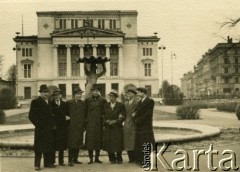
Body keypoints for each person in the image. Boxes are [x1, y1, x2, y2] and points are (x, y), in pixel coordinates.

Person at [28, 84, 56, 171]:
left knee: (48, 145)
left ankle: (47, 163)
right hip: (40, 129)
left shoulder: (51, 102)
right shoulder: (35, 102)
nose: (46, 94)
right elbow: (31, 116)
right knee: (39, 147)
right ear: (40, 93)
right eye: (44, 92)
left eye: (47, 92)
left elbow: (54, 115)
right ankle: (37, 165)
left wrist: (53, 125)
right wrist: (38, 125)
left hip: (49, 129)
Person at [132, 87, 155, 166]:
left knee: (146, 143)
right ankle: (140, 159)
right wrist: (134, 115)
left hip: (146, 126)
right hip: (139, 126)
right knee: (140, 143)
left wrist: (137, 120)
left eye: (138, 92)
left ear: (143, 93)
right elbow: (136, 111)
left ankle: (147, 161)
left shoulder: (150, 101)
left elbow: (148, 114)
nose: (137, 94)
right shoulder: (140, 101)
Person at [85, 84, 107, 164]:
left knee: (98, 141)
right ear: (91, 92)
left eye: (97, 91)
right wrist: (85, 122)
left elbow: (105, 112)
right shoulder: (87, 100)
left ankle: (97, 158)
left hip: (99, 123)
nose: (95, 92)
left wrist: (103, 122)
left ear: (99, 92)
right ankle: (90, 159)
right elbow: (85, 112)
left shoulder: (103, 100)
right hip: (90, 123)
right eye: (94, 91)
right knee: (90, 142)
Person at [103, 90, 126, 164]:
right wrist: (106, 121)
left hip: (117, 127)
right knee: (109, 142)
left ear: (116, 97)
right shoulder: (106, 105)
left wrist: (116, 121)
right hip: (108, 126)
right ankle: (111, 158)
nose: (111, 98)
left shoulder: (121, 105)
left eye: (113, 97)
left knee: (118, 142)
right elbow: (102, 115)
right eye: (110, 97)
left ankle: (119, 158)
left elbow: (123, 116)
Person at [67, 87, 86, 166]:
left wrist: (84, 126)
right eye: (77, 94)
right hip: (71, 126)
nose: (79, 95)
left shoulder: (82, 103)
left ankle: (75, 159)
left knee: (78, 143)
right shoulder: (69, 103)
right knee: (71, 144)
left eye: (80, 94)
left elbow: (84, 115)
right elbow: (65, 113)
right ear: (74, 95)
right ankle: (70, 160)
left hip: (79, 126)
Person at [50, 88, 69, 166]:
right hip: (54, 127)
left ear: (61, 95)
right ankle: (52, 161)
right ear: (53, 96)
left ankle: (61, 161)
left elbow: (68, 116)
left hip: (62, 127)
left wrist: (66, 123)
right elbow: (51, 116)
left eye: (59, 95)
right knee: (53, 145)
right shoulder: (50, 104)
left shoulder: (64, 104)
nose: (57, 96)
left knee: (61, 145)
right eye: (55, 95)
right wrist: (62, 117)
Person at [123, 88, 138, 163]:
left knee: (134, 140)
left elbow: (141, 112)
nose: (127, 95)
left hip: (134, 123)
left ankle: (135, 157)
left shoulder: (137, 103)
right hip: (127, 123)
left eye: (129, 93)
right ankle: (130, 158)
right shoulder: (125, 103)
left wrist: (136, 114)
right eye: (127, 93)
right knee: (127, 141)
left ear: (134, 94)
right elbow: (124, 114)